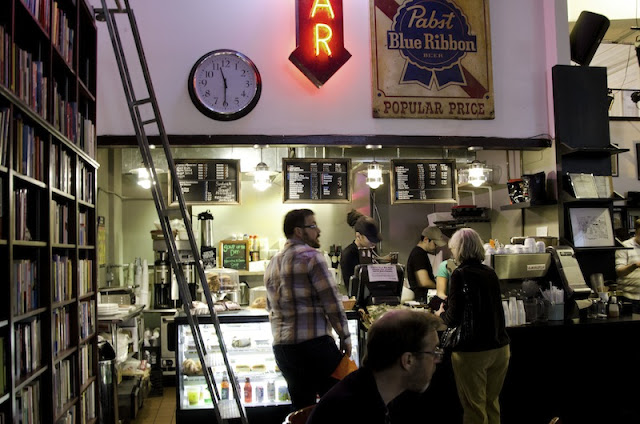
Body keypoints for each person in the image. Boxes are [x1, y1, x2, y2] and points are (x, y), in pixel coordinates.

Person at [264, 209, 352, 411]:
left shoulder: (273, 262)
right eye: (313, 226)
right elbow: (332, 302)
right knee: (338, 404)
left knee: (302, 408)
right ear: (298, 231)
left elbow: (270, 307)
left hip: (283, 349)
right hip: (315, 346)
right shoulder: (312, 257)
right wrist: (345, 336)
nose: (318, 231)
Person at [307, 309, 443, 424]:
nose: (437, 360)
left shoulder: (373, 391)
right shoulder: (353, 411)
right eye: (433, 352)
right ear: (408, 360)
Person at [435, 228, 510, 424]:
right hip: (500, 348)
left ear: (459, 249)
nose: (452, 252)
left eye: (453, 248)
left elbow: (452, 317)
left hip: (472, 351)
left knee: (474, 408)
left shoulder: (460, 274)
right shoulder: (490, 272)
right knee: (492, 404)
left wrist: (440, 314)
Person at [340, 210, 383, 287]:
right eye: (370, 240)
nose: (373, 244)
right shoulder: (348, 254)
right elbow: (351, 287)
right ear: (358, 236)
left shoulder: (371, 249)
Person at [406, 226, 448, 302]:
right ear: (426, 239)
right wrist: (440, 287)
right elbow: (424, 282)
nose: (436, 247)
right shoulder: (418, 254)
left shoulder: (421, 253)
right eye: (435, 244)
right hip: (421, 298)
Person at [615, 218, 640, 306]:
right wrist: (635, 265)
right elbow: (619, 272)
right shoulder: (625, 246)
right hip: (629, 298)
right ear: (636, 231)